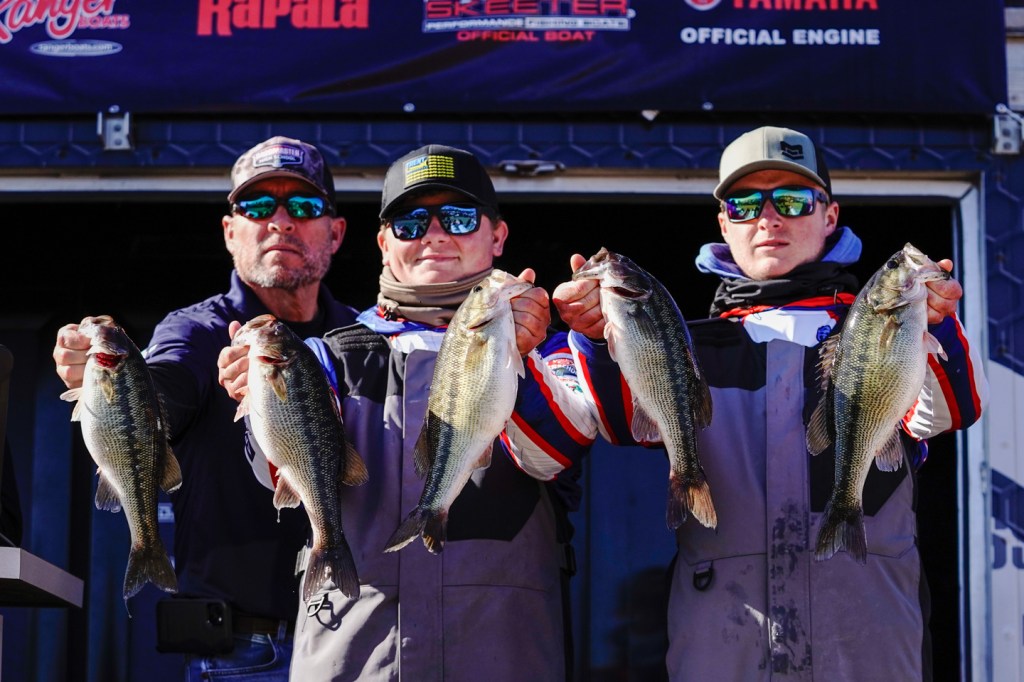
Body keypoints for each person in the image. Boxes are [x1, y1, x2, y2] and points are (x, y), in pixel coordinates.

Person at [552, 126, 990, 681]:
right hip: (721, 648)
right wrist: (597, 337)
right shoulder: (682, 342)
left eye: (791, 200)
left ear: (829, 215)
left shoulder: (874, 331)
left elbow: (951, 411)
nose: (768, 219)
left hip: (869, 646)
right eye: (744, 204)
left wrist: (937, 324)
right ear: (723, 223)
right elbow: (621, 425)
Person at [217, 144, 598, 681]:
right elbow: (275, 473)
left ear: (497, 236)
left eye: (458, 218)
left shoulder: (553, 347)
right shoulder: (326, 355)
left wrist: (522, 356)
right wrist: (256, 392)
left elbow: (552, 457)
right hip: (354, 659)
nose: (434, 235)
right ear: (382, 243)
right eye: (410, 222)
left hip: (506, 658)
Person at [51, 136, 359, 680]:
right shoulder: (194, 330)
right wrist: (110, 384)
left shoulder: (360, 336)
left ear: (335, 233)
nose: (280, 221)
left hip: (361, 643)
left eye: (303, 205)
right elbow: (164, 387)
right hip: (244, 655)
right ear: (230, 231)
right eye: (258, 206)